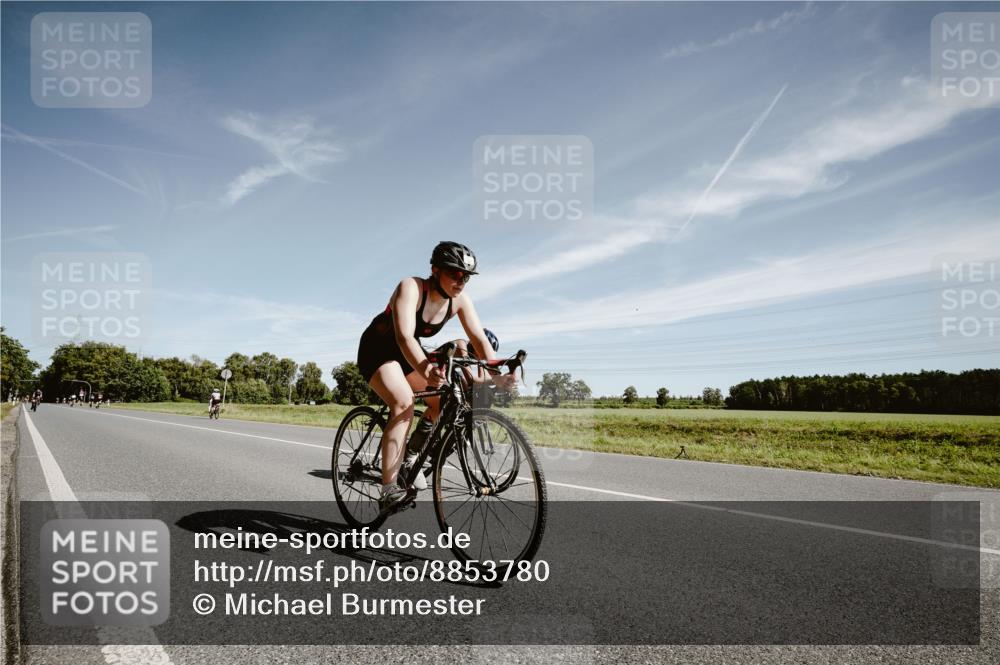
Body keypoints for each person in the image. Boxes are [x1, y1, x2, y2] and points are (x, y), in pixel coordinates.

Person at [357, 242, 516, 514]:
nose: (461, 281)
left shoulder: (460, 301)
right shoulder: (411, 287)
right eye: (455, 274)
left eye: (466, 276)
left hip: (407, 356)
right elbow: (404, 336)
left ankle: (409, 456)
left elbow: (479, 340)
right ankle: (388, 489)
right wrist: (426, 370)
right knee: (403, 402)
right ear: (435, 270)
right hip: (379, 349)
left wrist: (498, 376)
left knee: (442, 405)